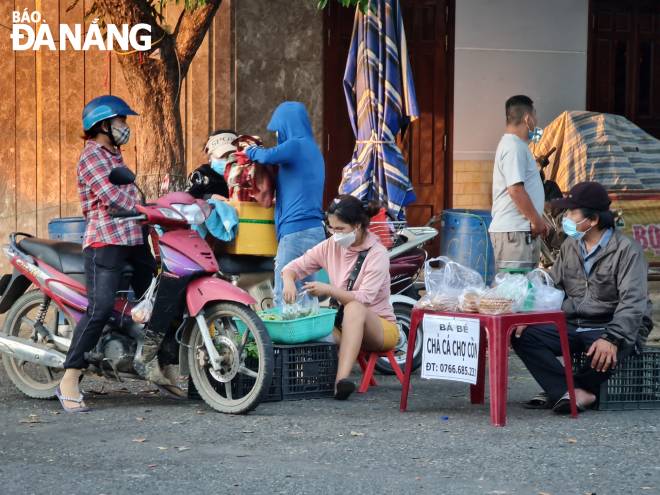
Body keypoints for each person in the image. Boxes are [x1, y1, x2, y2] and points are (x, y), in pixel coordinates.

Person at [56, 95, 170, 412]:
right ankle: (69, 378)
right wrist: (142, 206)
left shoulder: (115, 156)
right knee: (101, 308)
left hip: (133, 239)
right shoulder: (91, 157)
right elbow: (112, 196)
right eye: (120, 120)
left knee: (160, 295)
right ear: (103, 124)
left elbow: (132, 193)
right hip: (105, 241)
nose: (124, 126)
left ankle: (162, 364)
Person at [512, 181, 653, 413]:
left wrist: (613, 337)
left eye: (572, 212)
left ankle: (568, 390)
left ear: (594, 220)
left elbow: (633, 302)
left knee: (609, 348)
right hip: (575, 323)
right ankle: (577, 392)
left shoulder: (627, 250)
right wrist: (531, 313)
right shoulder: (571, 246)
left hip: (612, 325)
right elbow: (554, 286)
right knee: (521, 335)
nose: (566, 217)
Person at [282, 195, 399, 400]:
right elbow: (293, 267)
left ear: (357, 226)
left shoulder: (377, 254)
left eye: (340, 229)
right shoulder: (330, 246)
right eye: (331, 228)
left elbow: (363, 299)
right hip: (343, 325)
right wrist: (289, 281)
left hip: (380, 328)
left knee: (354, 307)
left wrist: (328, 289)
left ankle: (341, 383)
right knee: (309, 323)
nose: (335, 234)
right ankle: (296, 379)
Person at [243, 102, 326, 306]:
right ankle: (312, 336)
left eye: (279, 130)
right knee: (306, 295)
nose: (279, 135)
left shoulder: (296, 145)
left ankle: (287, 337)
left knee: (286, 296)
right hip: (315, 231)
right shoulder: (312, 150)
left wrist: (250, 151)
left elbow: (267, 155)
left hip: (296, 233)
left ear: (288, 125)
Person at [489, 95, 549, 271]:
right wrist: (536, 221)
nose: (536, 122)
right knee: (515, 293)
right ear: (527, 119)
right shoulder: (513, 147)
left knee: (523, 291)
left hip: (518, 232)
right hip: (514, 235)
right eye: (535, 117)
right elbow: (515, 190)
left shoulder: (517, 146)